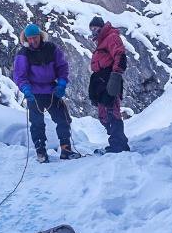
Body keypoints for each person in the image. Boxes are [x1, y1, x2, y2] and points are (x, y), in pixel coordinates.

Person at [12, 23, 80, 163]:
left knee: (63, 119)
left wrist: (61, 83)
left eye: (35, 37)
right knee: (37, 124)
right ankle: (41, 153)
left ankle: (66, 150)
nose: (33, 41)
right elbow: (20, 75)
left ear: (40, 36)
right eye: (29, 38)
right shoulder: (23, 53)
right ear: (26, 39)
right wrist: (25, 88)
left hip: (52, 91)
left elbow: (62, 66)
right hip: (33, 93)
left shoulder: (52, 48)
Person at [87, 16, 130, 153]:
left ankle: (118, 145)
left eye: (95, 28)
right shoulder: (102, 41)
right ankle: (117, 142)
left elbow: (120, 55)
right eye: (91, 29)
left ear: (101, 27)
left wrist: (116, 76)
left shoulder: (111, 37)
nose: (93, 31)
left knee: (112, 111)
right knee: (104, 114)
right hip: (101, 80)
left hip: (109, 78)